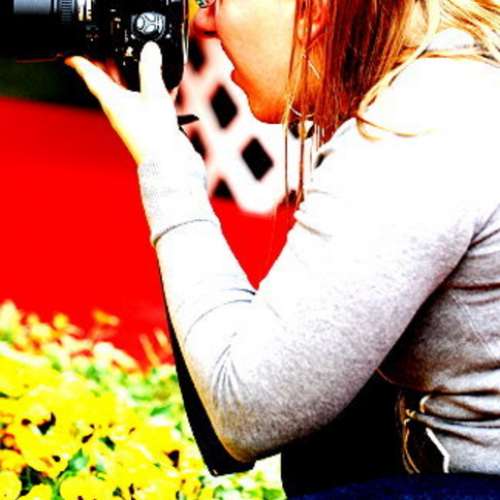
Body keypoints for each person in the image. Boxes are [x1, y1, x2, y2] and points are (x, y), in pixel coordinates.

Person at [66, 0, 500, 497]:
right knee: (333, 441)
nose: (202, 23)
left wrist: (164, 161)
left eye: (218, 0)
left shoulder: (416, 129)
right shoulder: (464, 77)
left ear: (314, 10)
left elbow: (245, 410)